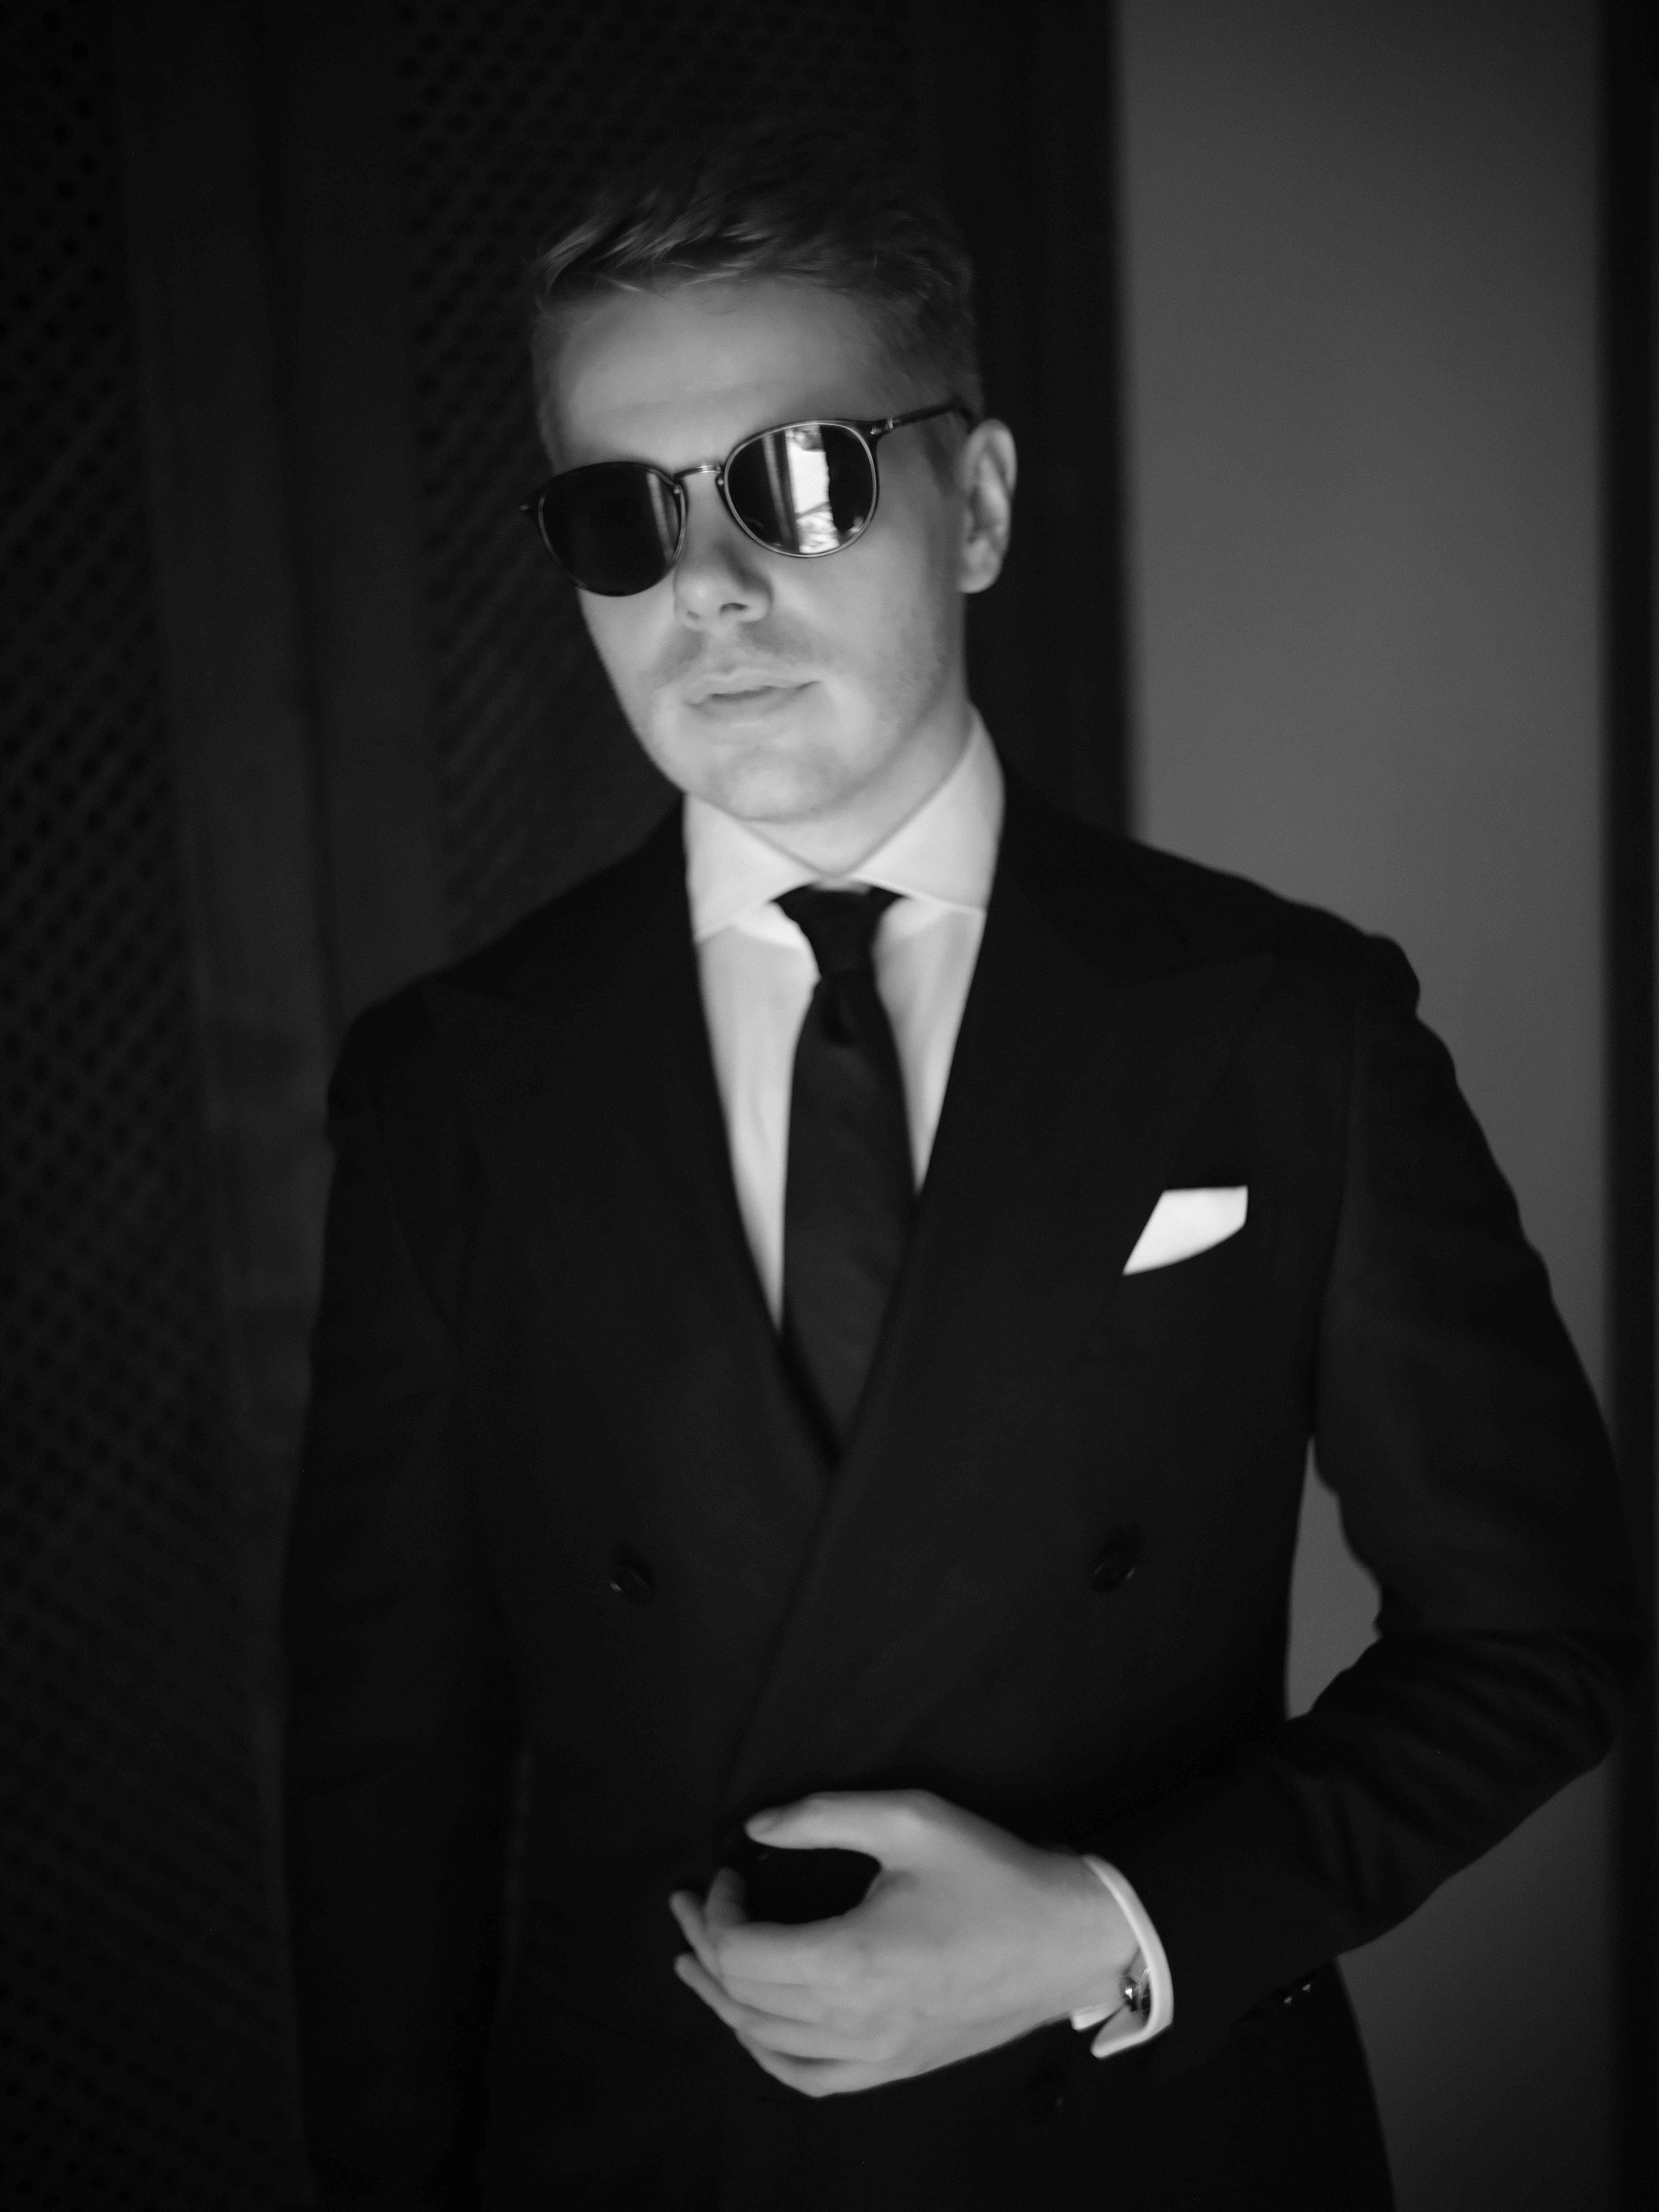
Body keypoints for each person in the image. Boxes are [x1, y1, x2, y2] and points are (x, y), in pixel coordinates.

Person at [280, 119, 1642, 2212]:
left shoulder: (1289, 1019)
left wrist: (1112, 1923)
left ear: (978, 502)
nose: (711, 588)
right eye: (624, 516)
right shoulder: (447, 1085)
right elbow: (388, 1781)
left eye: (803, 480)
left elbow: (1541, 1632)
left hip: (1157, 2149)